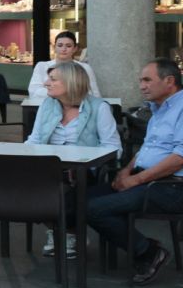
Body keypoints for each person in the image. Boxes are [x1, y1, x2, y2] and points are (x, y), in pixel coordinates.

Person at [83, 58, 183, 286]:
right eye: (140, 80)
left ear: (169, 81)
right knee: (79, 198)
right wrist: (125, 172)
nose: (142, 86)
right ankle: (79, 248)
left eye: (147, 80)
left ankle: (148, 252)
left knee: (94, 209)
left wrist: (136, 180)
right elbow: (148, 149)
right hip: (150, 180)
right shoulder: (159, 109)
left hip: (175, 188)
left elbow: (182, 157)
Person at [26, 61, 120, 260]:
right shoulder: (47, 105)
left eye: (52, 79)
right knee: (16, 182)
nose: (45, 83)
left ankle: (69, 232)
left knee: (65, 182)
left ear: (70, 83)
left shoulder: (99, 108)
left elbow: (113, 148)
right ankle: (60, 229)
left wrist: (85, 162)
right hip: (49, 166)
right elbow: (34, 139)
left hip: (85, 170)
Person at [24, 30, 99, 106]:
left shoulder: (84, 68)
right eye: (60, 45)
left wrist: (55, 92)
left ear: (75, 48)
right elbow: (34, 92)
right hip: (48, 109)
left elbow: (94, 94)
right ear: (54, 47)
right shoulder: (42, 66)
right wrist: (68, 93)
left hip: (78, 110)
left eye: (68, 46)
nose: (64, 49)